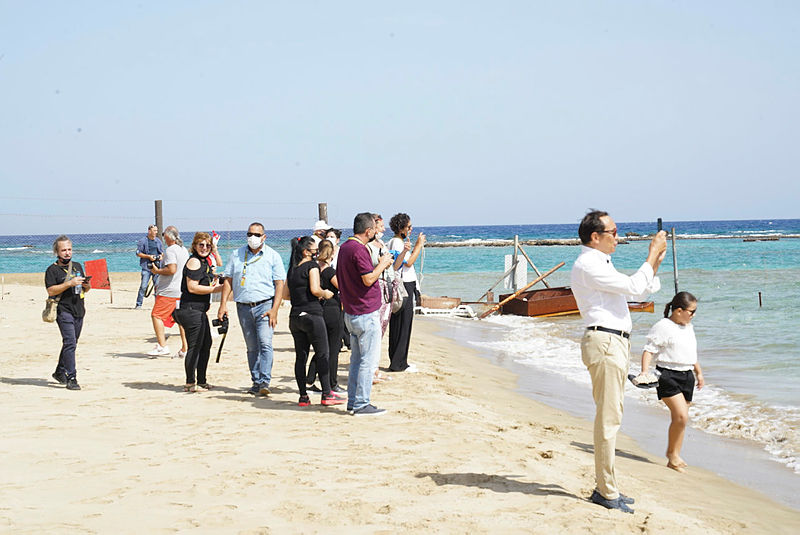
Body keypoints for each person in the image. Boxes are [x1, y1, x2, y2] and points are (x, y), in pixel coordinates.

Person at [570, 210, 667, 513]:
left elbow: (641, 287)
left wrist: (655, 263)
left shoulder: (599, 262)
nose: (618, 237)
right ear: (595, 236)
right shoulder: (588, 264)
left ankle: (607, 486)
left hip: (613, 342)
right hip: (606, 342)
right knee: (609, 419)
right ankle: (605, 490)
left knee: (611, 416)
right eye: (612, 232)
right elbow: (636, 287)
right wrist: (651, 256)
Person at [218, 222, 285, 396]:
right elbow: (228, 280)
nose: (252, 238)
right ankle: (255, 381)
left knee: (265, 343)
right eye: (250, 234)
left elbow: (279, 284)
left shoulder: (273, 256)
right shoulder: (236, 254)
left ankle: (265, 380)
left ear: (264, 237)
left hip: (265, 305)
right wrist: (223, 304)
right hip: (243, 307)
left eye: (256, 234)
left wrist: (275, 309)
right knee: (251, 346)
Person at [639, 291, 704, 473]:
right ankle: (672, 455)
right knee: (681, 415)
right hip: (667, 375)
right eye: (691, 311)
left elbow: (691, 353)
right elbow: (648, 350)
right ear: (678, 310)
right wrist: (644, 372)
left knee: (681, 420)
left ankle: (674, 456)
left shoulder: (688, 326)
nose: (693, 315)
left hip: (687, 375)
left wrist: (699, 373)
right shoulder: (663, 326)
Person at [336, 212, 393, 416]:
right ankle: (361, 403)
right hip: (364, 312)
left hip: (352, 311)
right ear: (368, 231)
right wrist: (383, 264)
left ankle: (354, 401)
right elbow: (368, 279)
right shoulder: (358, 249)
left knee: (357, 361)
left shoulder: (344, 247)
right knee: (367, 362)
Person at [284, 236, 344, 407]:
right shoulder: (312, 266)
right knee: (323, 353)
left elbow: (286, 295)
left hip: (295, 317)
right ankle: (327, 393)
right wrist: (326, 294)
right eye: (314, 249)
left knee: (300, 357)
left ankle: (303, 396)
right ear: (306, 252)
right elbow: (315, 289)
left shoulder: (292, 269)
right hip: (312, 314)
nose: (317, 252)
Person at [173, 232, 223, 392]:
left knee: (205, 344)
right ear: (194, 246)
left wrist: (215, 251)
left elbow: (215, 268)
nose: (204, 248)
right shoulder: (194, 261)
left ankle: (201, 380)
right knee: (194, 346)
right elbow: (192, 287)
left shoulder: (204, 262)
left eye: (208, 245)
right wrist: (217, 289)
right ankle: (190, 383)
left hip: (199, 310)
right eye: (201, 245)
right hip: (190, 309)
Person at [45, 235, 91, 391]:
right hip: (63, 310)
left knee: (71, 343)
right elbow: (51, 290)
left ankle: (59, 371)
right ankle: (72, 377)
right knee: (70, 342)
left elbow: (87, 289)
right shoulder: (52, 270)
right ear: (57, 252)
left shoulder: (77, 266)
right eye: (63, 250)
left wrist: (86, 285)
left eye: (69, 249)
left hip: (79, 309)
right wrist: (69, 283)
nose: (67, 253)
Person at [305, 240, 345, 393]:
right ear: (332, 253)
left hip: (319, 309)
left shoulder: (314, 269)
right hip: (332, 310)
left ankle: (310, 379)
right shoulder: (329, 271)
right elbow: (342, 287)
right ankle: (332, 383)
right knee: (333, 349)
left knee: (322, 348)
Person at [387, 212, 425, 373]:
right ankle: (399, 363)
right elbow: (408, 262)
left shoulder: (395, 241)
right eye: (409, 227)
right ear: (401, 228)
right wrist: (419, 245)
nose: (410, 229)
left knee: (399, 323)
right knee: (403, 324)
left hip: (405, 284)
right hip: (404, 285)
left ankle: (400, 361)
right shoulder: (397, 242)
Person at [147, 226, 189, 357]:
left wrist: (157, 271)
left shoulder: (171, 250)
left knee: (156, 315)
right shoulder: (183, 249)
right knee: (181, 320)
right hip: (181, 290)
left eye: (164, 234)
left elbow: (172, 269)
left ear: (168, 237)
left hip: (169, 290)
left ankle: (162, 346)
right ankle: (185, 348)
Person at [135, 224, 164, 309]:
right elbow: (138, 253)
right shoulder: (143, 241)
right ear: (149, 231)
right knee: (143, 286)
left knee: (157, 287)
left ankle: (158, 305)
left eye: (156, 230)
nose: (156, 232)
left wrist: (161, 256)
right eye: (154, 230)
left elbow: (162, 252)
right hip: (146, 267)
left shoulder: (158, 241)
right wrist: (149, 257)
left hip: (157, 267)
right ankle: (138, 304)